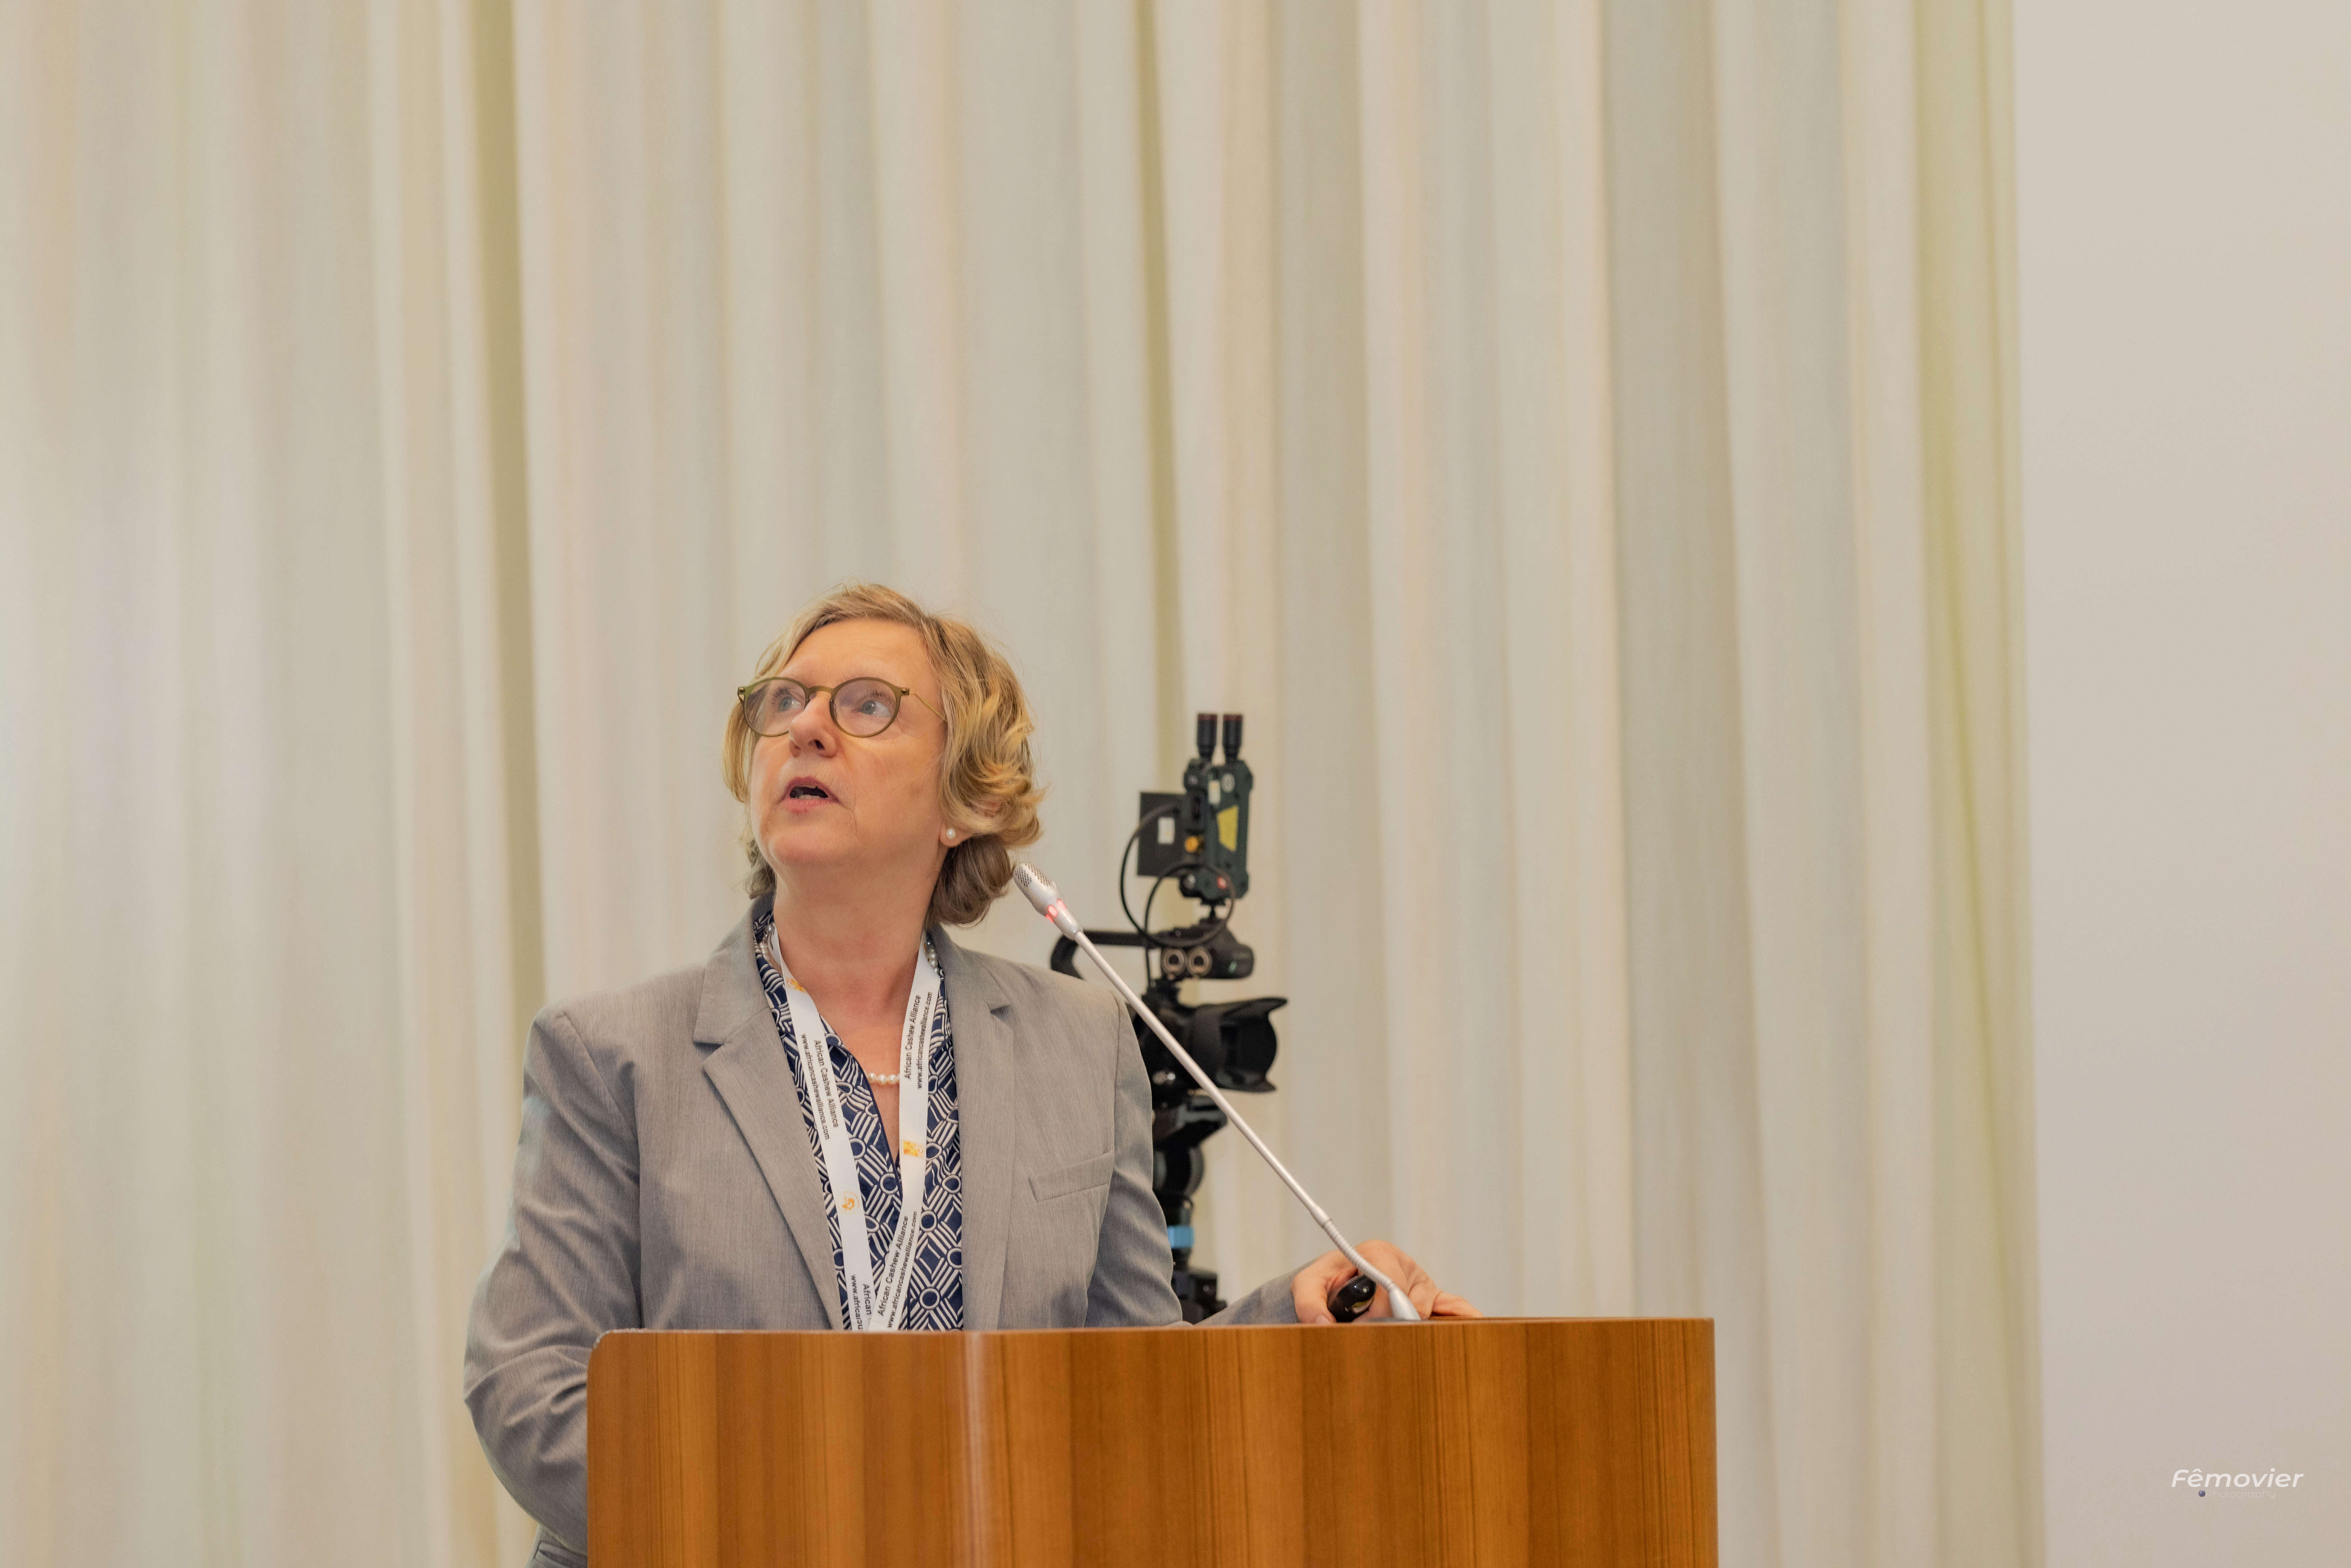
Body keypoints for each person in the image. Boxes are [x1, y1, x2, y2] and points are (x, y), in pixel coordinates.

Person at [463, 583, 1475, 1566]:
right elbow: (527, 1387)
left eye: (867, 705)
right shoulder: (613, 1053)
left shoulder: (1081, 1043)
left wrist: (1299, 1312)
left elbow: (1134, 1386)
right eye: (784, 702)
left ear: (966, 800)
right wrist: (801, 1524)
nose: (806, 728)